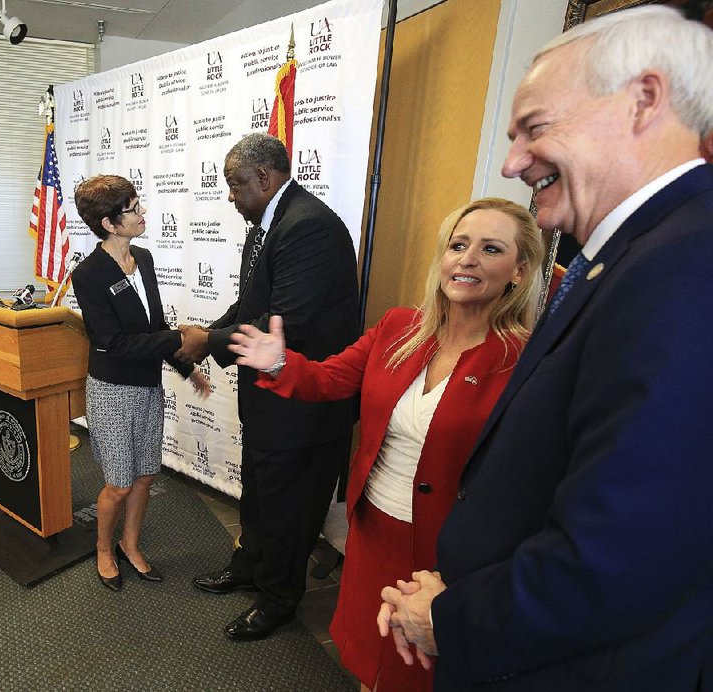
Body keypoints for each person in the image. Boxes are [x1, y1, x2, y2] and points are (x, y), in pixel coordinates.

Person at [378, 6, 713, 691]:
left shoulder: (685, 266)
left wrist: (451, 618)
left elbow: (621, 555)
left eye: (535, 129)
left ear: (643, 100)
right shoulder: (627, 256)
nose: (511, 162)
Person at [228, 197, 544, 690]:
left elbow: (525, 483)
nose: (467, 259)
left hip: (448, 556)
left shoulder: (524, 360)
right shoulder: (398, 327)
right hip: (373, 529)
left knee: (417, 672)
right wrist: (278, 363)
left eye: (491, 249)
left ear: (519, 272)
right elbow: (328, 381)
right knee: (369, 659)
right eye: (458, 245)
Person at [179, 133, 359, 640]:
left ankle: (278, 599)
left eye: (236, 185)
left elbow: (287, 322)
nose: (230, 196)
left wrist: (207, 340)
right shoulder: (268, 223)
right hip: (269, 400)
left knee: (289, 507)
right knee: (260, 491)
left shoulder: (309, 227)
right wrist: (208, 336)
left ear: (265, 177)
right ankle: (249, 568)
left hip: (303, 404)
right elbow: (250, 304)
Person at [72, 174, 210, 592]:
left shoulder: (144, 259)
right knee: (119, 482)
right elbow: (113, 343)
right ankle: (103, 549)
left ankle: (131, 546)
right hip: (112, 391)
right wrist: (180, 338)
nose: (142, 212)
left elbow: (154, 328)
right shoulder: (89, 275)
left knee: (146, 475)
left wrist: (186, 366)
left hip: (148, 387)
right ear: (110, 224)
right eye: (133, 208)